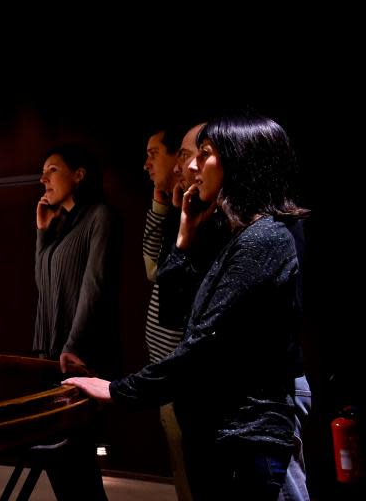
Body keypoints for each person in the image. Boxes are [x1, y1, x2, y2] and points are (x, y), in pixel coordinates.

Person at [66, 115, 309, 500]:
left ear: (240, 160)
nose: (190, 166)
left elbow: (203, 344)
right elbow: (175, 310)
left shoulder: (265, 238)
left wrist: (119, 390)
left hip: (246, 437)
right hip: (220, 433)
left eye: (205, 154)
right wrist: (184, 237)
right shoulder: (236, 234)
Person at [33, 143, 116, 501]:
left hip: (76, 354)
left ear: (78, 175)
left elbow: (94, 285)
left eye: (52, 169)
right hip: (49, 354)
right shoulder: (59, 224)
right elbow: (41, 284)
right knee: (56, 453)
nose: (43, 178)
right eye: (43, 171)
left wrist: (73, 345)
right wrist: (42, 232)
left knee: (76, 454)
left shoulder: (99, 215)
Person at [141, 124, 191, 501]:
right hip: (166, 367)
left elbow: (158, 271)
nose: (146, 164)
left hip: (184, 370)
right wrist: (160, 206)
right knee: (182, 469)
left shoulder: (192, 210)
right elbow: (151, 268)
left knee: (193, 472)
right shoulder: (172, 204)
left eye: (154, 153)